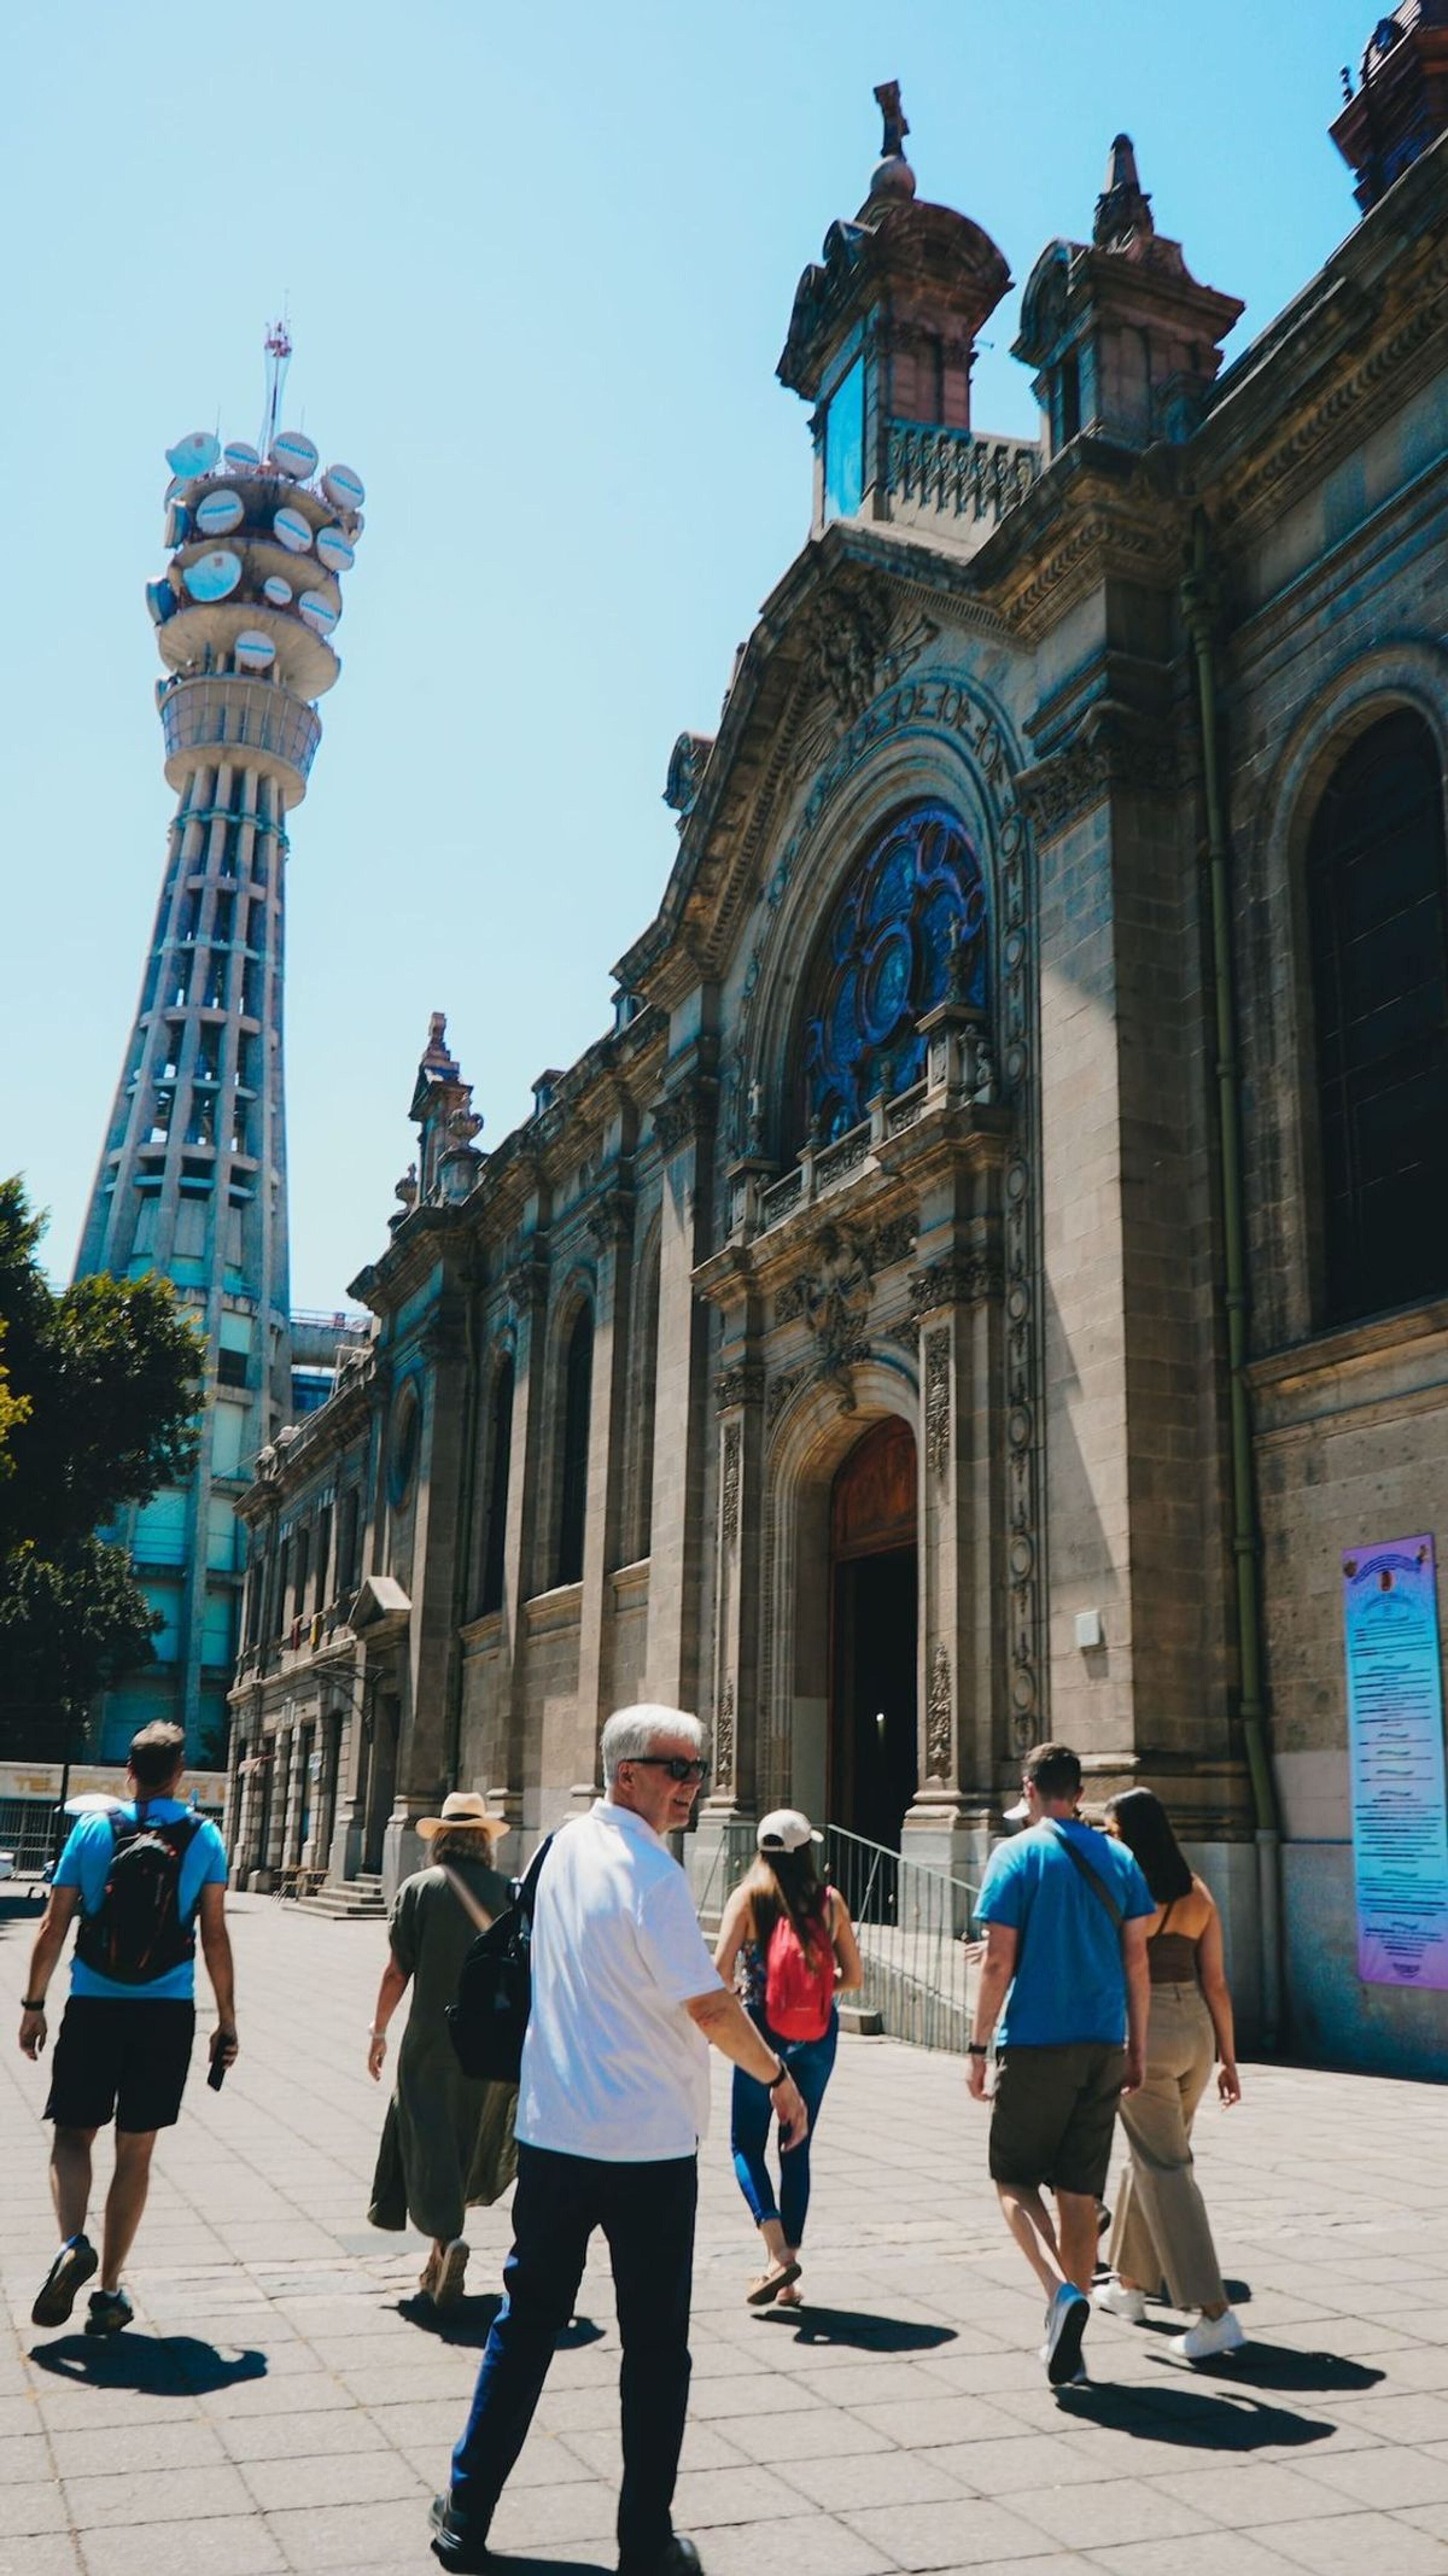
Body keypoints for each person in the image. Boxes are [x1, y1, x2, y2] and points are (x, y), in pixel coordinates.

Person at [429, 1704, 808, 2576]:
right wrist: (776, 2079)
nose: (693, 1785)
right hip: (646, 2147)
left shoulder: (560, 1845)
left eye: (699, 1769)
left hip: (558, 2132)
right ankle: (645, 2539)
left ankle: (466, 2507)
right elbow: (711, 2004)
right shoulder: (652, 1873)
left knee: (525, 2326)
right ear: (625, 1772)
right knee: (654, 2347)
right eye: (677, 1768)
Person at [18, 1721, 236, 2337]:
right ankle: (110, 2291)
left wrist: (34, 2004)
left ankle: (71, 2245)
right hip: (167, 2011)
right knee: (135, 2152)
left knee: (72, 2135)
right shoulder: (204, 1836)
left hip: (94, 2004)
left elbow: (53, 1924)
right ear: (181, 1773)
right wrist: (227, 2019)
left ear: (129, 1772)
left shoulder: (93, 1829)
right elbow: (214, 1933)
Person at [967, 1741, 1153, 2390]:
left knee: (1013, 2179)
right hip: (1104, 2041)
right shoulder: (1124, 1859)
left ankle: (1059, 2293)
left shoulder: (1016, 1855)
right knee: (1080, 2196)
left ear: (1028, 1788)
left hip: (1038, 2041)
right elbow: (1138, 1963)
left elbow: (997, 1963)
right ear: (1079, 1793)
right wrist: (1138, 2046)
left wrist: (976, 2046)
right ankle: (1069, 2350)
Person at [1094, 1786, 1245, 2361]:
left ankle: (1214, 2313)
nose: (1108, 1839)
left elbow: (1114, 1965)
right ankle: (1132, 2286)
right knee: (1153, 2155)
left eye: (1112, 1831)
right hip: (1197, 2035)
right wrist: (1230, 2060)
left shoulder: (1128, 1891)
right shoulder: (1198, 1892)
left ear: (1129, 1835)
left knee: (1166, 2166)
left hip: (1147, 2029)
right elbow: (1218, 1985)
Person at [367, 1791, 517, 2310]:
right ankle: (439, 2255)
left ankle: (446, 2238)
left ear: (442, 1839)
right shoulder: (506, 1893)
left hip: (431, 2041)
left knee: (425, 2133)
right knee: (466, 2137)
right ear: (484, 1842)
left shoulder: (420, 1889)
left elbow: (396, 1971)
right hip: (492, 2046)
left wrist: (378, 2031)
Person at [713, 1807, 861, 2308]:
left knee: (745, 2146)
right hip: (818, 2034)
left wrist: (744, 1992)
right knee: (796, 2145)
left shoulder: (748, 1898)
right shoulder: (831, 1902)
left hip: (761, 2035)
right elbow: (855, 1977)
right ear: (807, 1852)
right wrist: (821, 1990)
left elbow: (718, 1972)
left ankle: (777, 2253)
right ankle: (790, 2277)